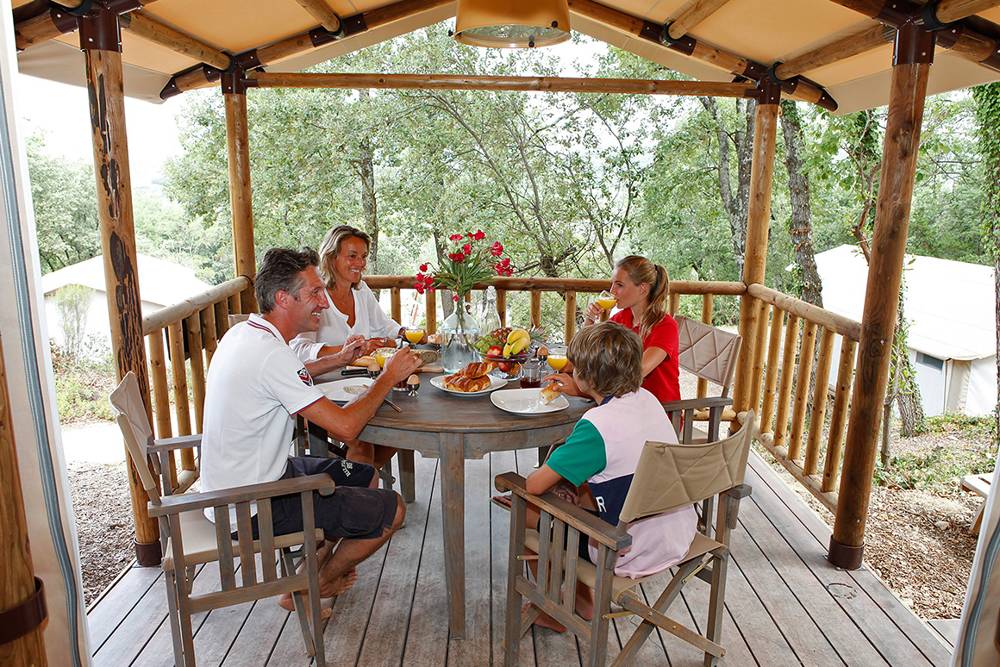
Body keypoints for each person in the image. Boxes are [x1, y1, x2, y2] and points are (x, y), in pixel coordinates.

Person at [200, 247, 423, 615]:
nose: (323, 301)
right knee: (393, 509)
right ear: (282, 298)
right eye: (315, 293)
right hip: (250, 505)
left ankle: (306, 576)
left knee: (364, 475)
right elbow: (347, 428)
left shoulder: (246, 334)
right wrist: (387, 377)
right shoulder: (269, 354)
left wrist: (338, 359)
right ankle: (318, 584)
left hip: (245, 481)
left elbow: (291, 375)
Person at [519, 322, 697, 631]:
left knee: (527, 509)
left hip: (628, 548)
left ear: (586, 378)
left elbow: (534, 485)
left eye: (576, 368)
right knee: (580, 490)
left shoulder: (596, 427)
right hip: (676, 532)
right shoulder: (647, 399)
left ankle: (553, 609)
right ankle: (583, 600)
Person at [290, 225, 419, 467]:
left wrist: (405, 333)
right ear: (332, 258)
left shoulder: (361, 291)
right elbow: (298, 350)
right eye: (352, 256)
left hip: (362, 386)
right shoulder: (316, 296)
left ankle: (359, 478)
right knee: (362, 440)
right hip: (321, 396)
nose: (360, 263)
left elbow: (383, 325)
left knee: (404, 427)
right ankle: (358, 482)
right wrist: (345, 352)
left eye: (363, 257)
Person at [548, 255, 680, 404]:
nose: (612, 291)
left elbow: (635, 374)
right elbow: (587, 356)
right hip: (622, 404)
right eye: (612, 284)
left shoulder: (665, 326)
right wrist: (590, 320)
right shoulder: (621, 319)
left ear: (643, 289)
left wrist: (581, 389)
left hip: (659, 410)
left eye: (619, 285)